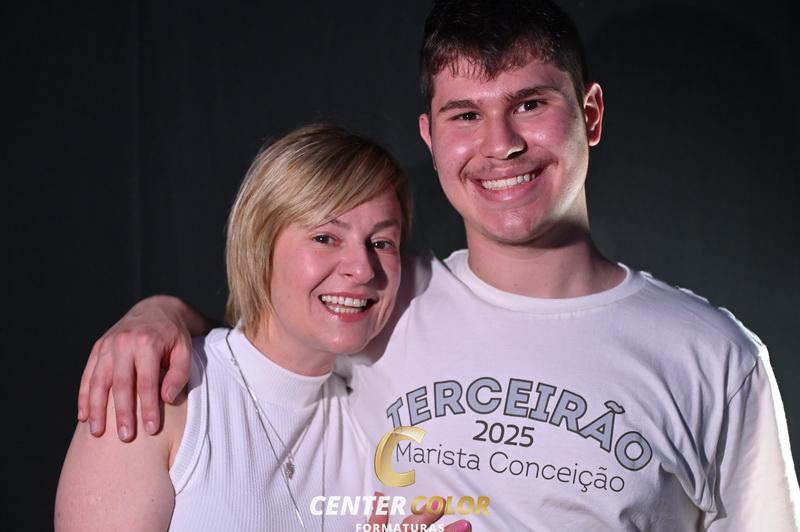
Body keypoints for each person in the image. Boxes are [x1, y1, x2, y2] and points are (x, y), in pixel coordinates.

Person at [76, 0, 800, 529]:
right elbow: (267, 340)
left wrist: (159, 315)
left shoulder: (715, 359)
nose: (501, 144)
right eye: (466, 115)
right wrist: (159, 317)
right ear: (430, 135)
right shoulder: (388, 302)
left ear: (591, 113)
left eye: (530, 104)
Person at [56, 124, 469, 531]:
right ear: (260, 243)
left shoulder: (372, 429)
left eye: (381, 243)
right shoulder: (157, 394)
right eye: (325, 238)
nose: (362, 269)